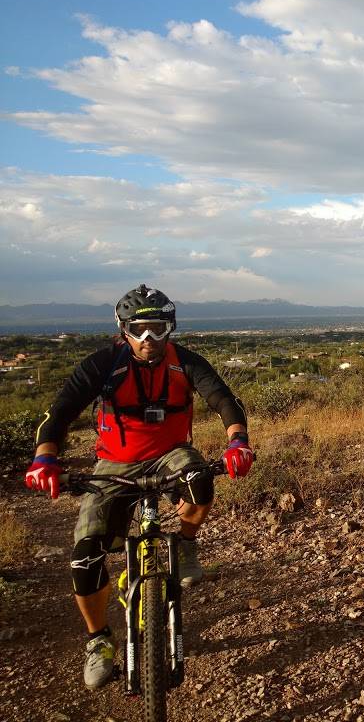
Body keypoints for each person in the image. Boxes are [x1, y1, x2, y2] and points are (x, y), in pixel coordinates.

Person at [24, 284, 254, 690]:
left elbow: (224, 400)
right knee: (85, 553)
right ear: (123, 330)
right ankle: (98, 640)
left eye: (159, 328)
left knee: (200, 480)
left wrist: (237, 442)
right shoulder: (104, 364)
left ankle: (184, 542)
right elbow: (59, 411)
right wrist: (45, 457)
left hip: (172, 453)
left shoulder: (187, 363)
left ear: (171, 328)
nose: (149, 339)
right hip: (115, 462)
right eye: (140, 329)